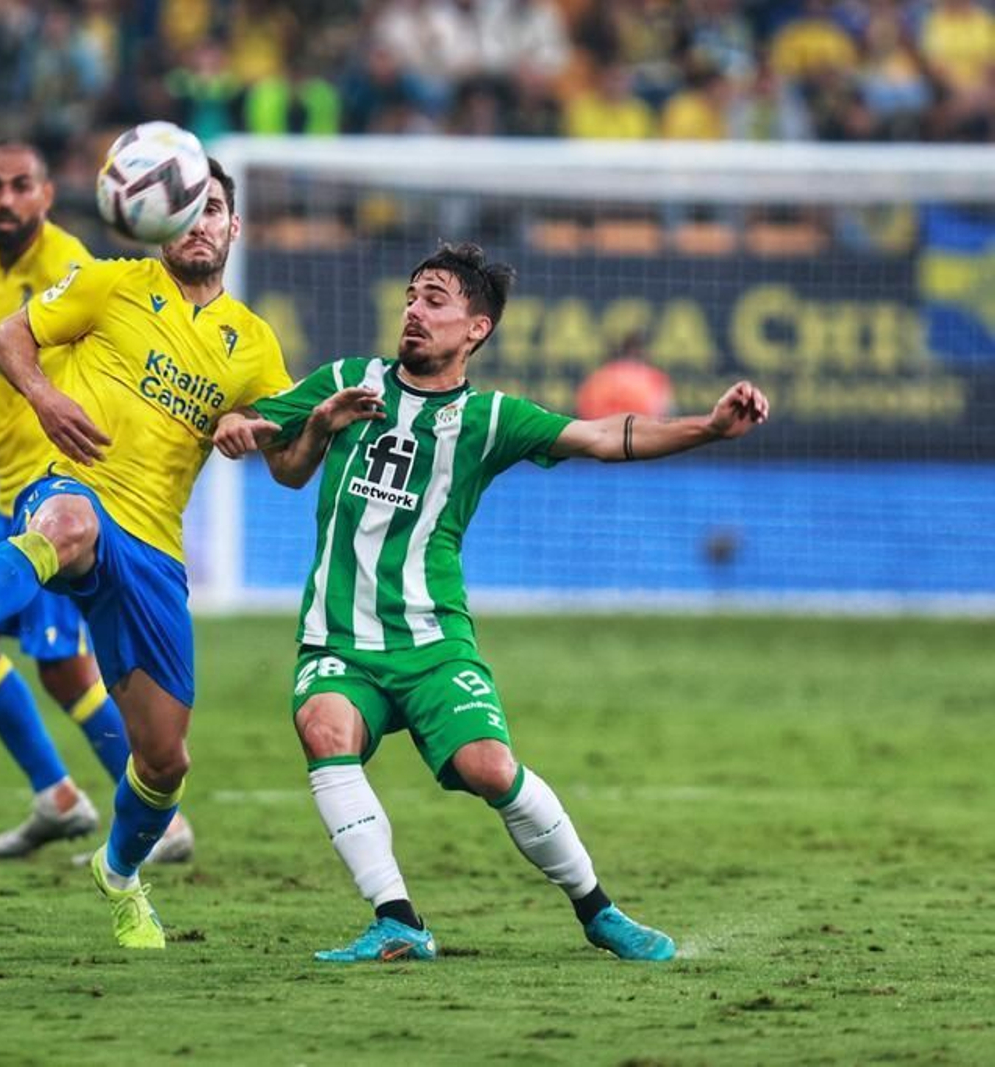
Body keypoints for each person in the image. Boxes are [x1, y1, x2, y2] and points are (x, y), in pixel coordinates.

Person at [213, 241, 769, 963]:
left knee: (490, 768)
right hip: (338, 637)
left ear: (476, 328)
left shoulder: (492, 418)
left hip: (433, 639)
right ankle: (398, 919)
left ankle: (599, 910)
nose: (414, 311)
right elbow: (284, 465)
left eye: (435, 300)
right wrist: (298, 423)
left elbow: (605, 435)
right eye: (411, 297)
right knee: (324, 728)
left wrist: (710, 427)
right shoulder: (348, 379)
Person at [0, 158, 291, 948]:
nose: (199, 222)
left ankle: (119, 871)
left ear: (235, 226)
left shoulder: (255, 344)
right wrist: (46, 398)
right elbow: (8, 340)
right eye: (187, 208)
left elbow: (291, 463)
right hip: (66, 487)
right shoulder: (107, 281)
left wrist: (272, 431)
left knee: (164, 760)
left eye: (213, 209)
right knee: (64, 529)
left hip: (155, 552)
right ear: (158, 219)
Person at [0, 141, 191, 863]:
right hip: (6, 493)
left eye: (22, 186)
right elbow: (4, 362)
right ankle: (57, 797)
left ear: (48, 196)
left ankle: (165, 824)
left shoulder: (71, 267)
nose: (6, 200)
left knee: (64, 667)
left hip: (55, 495)